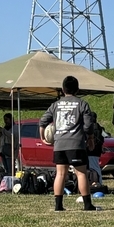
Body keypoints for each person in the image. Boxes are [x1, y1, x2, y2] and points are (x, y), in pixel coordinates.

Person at [41, 75, 96, 212]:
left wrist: (43, 137)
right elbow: (88, 126)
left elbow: (43, 121)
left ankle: (58, 206)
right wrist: (90, 138)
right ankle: (87, 205)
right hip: (76, 143)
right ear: (77, 89)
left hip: (59, 144)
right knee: (81, 173)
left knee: (60, 174)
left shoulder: (55, 105)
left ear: (62, 89)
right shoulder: (82, 104)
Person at [87, 116, 105, 190]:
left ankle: (97, 182)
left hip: (91, 151)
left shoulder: (91, 128)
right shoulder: (99, 128)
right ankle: (99, 181)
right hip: (97, 151)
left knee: (93, 168)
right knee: (96, 167)